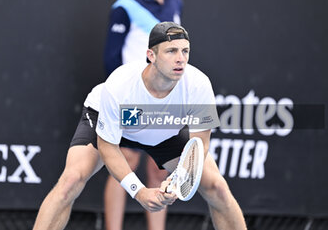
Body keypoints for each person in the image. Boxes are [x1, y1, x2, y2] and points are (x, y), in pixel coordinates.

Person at [33, 22, 247, 230]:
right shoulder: (120, 85)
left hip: (165, 130)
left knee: (217, 188)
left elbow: (199, 145)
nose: (180, 59)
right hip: (111, 124)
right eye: (171, 51)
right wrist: (138, 191)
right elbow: (108, 147)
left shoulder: (199, 84)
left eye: (185, 51)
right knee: (71, 181)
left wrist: (178, 177)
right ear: (151, 56)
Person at [103, 0, 183, 229]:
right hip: (133, 99)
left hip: (166, 100)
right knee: (125, 161)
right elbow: (111, 58)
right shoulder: (125, 6)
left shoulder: (175, 3)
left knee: (159, 170)